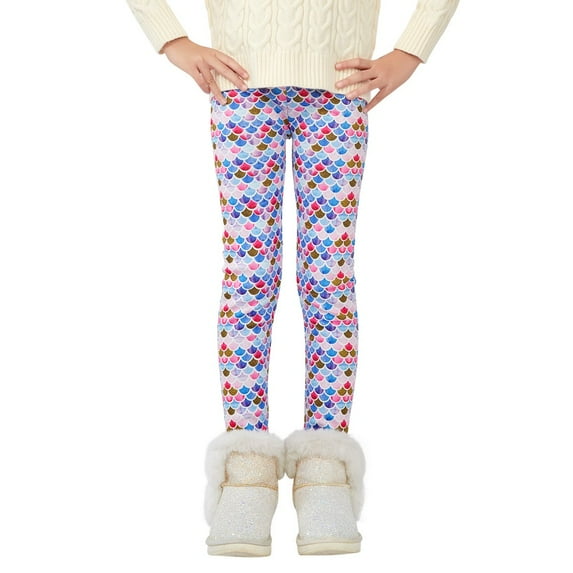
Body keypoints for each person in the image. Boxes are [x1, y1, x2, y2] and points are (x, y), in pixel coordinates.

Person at [126, 0, 459, 557]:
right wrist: (171, 40)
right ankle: (247, 467)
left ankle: (324, 465)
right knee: (249, 278)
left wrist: (411, 50)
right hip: (240, 87)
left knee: (329, 276)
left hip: (340, 88)